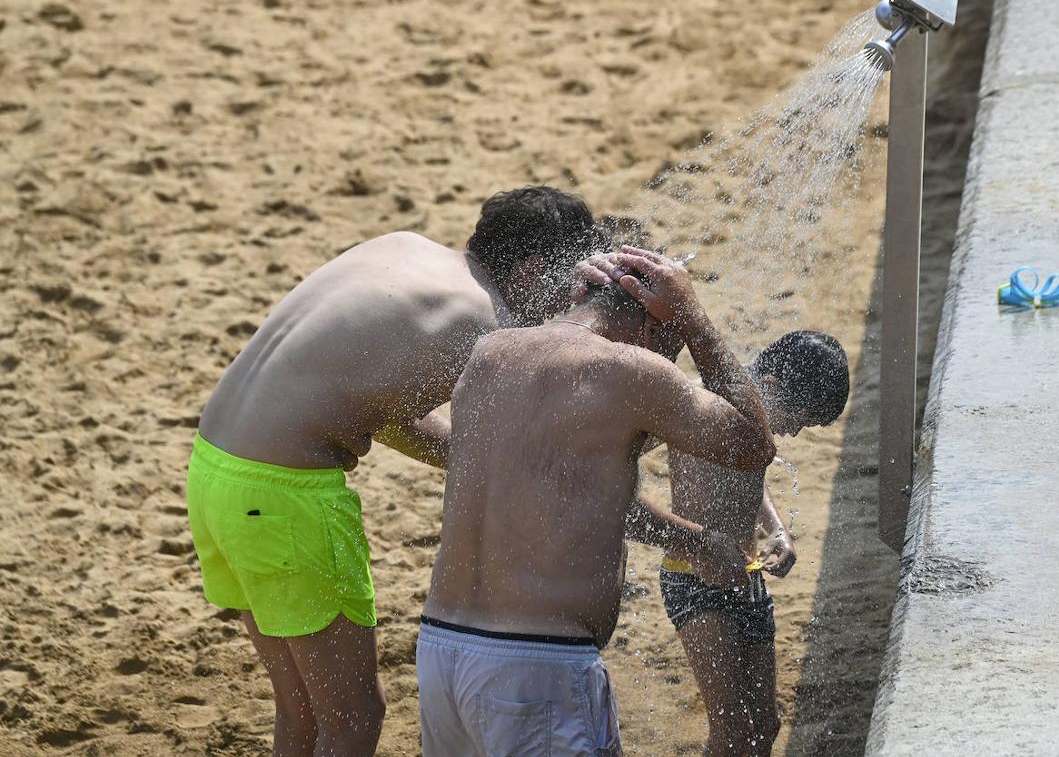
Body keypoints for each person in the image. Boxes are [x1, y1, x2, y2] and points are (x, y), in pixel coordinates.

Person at [186, 187, 618, 757]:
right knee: (354, 721)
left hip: (215, 474)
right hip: (287, 502)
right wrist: (679, 534)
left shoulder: (404, 248)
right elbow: (544, 466)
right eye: (564, 289)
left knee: (303, 712)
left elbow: (380, 408)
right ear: (533, 268)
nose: (562, 308)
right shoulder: (484, 327)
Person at [417, 246, 777, 756]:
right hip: (539, 669)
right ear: (655, 329)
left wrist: (691, 540)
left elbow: (581, 494)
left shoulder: (492, 351)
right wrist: (695, 320)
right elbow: (753, 448)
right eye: (670, 347)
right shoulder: (631, 372)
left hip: (442, 652)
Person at [660, 330, 850, 757]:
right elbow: (621, 456)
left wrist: (777, 531)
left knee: (764, 726)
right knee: (730, 730)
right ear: (775, 384)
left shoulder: (755, 414)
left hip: (745, 576)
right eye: (800, 417)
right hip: (694, 579)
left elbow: (750, 480)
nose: (797, 432)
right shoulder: (699, 403)